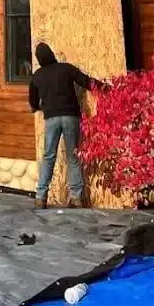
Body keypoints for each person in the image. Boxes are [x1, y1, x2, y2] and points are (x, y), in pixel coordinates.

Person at [29, 42, 102, 209]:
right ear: (52, 54)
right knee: (73, 157)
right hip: (70, 117)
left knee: (48, 157)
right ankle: (76, 197)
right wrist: (104, 88)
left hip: (51, 119)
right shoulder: (66, 69)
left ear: (39, 59)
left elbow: (32, 102)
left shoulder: (37, 76)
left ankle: (41, 197)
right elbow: (86, 81)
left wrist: (40, 107)